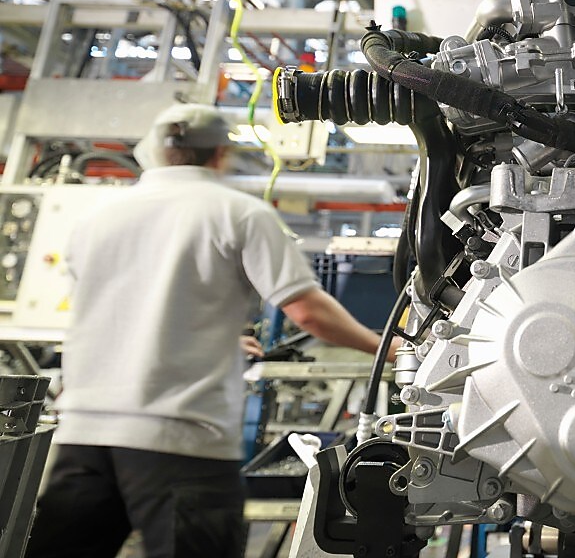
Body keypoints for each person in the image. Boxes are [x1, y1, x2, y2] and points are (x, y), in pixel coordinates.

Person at [26, 103, 397, 558]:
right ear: (220, 153)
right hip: (182, 440)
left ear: (156, 152)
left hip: (85, 435)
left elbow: (121, 310)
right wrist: (385, 348)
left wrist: (212, 337)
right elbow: (306, 312)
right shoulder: (238, 213)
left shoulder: (97, 217)